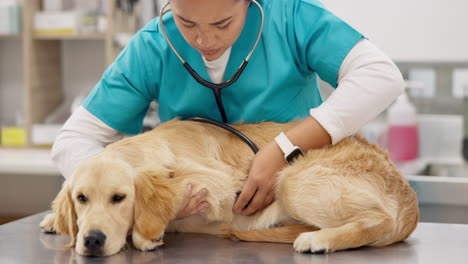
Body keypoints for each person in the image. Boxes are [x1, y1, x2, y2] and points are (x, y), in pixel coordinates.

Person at [52, 0, 404, 219]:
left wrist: (284, 149)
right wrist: (136, 199)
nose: (204, 41)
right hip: (201, 231)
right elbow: (72, 141)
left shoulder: (292, 16)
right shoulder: (152, 46)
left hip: (297, 207)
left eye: (221, 24)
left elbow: (380, 76)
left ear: (250, 4)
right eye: (186, 23)